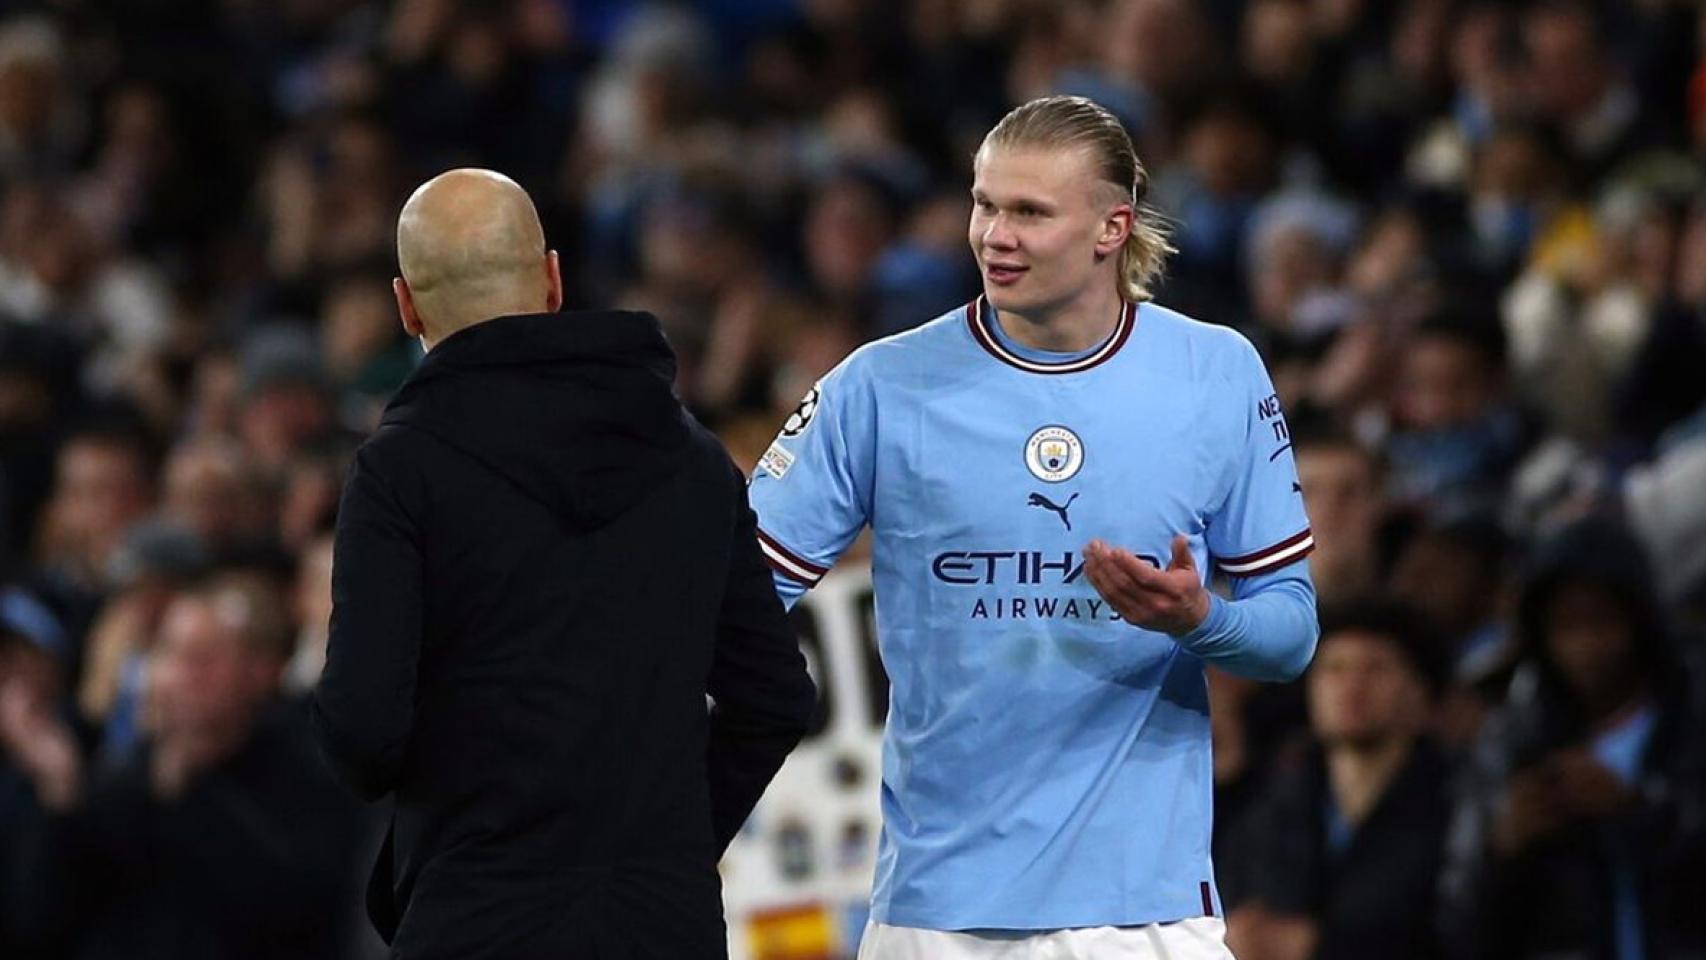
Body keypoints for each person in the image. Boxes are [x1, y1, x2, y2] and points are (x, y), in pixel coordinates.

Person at [747, 96, 1319, 959]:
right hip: (935, 916)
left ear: (1110, 227)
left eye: (1028, 212)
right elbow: (735, 592)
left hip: (1145, 913)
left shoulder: (1216, 373)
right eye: (984, 203)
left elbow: (1291, 636)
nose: (993, 235)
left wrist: (1200, 620)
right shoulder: (880, 387)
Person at [309, 168, 816, 959]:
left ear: (406, 304)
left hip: (477, 917)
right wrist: (668, 845)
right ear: (551, 279)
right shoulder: (690, 459)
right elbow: (777, 697)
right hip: (662, 923)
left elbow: (362, 733)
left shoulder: (400, 473)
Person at [0, 574, 365, 960]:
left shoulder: (307, 769)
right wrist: (60, 789)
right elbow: (41, 919)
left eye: (202, 659)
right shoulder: (126, 775)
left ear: (259, 672)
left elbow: (298, 904)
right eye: (168, 653)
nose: (178, 675)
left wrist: (190, 788)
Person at [1439, 516, 1706, 960]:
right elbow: (1459, 922)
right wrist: (1505, 847)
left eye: (1601, 620)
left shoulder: (1693, 719)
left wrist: (1637, 811)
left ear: (1640, 620)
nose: (1585, 644)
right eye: (1566, 625)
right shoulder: (1510, 744)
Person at [1225, 597, 1452, 960]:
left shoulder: (1455, 802)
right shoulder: (1276, 799)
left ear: (1422, 695)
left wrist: (1319, 947)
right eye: (1334, 669)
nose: (1352, 686)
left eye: (1375, 669)